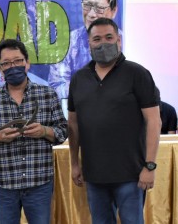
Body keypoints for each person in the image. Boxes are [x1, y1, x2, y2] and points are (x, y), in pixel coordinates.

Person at [68, 18, 161, 224]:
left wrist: (150, 166)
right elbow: (73, 124)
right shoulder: (78, 78)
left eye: (109, 37)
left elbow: (154, 121)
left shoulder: (137, 74)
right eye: (97, 39)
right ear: (89, 43)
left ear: (118, 40)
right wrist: (75, 163)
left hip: (131, 174)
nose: (103, 43)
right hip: (94, 174)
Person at [0, 39, 68, 224]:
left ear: (27, 63)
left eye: (17, 61)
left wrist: (44, 131)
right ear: (0, 69)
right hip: (6, 184)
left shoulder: (47, 94)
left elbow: (63, 131)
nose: (13, 66)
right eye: (6, 63)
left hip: (39, 181)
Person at [48, 0, 119, 99]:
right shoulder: (67, 42)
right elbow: (56, 86)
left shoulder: (124, 42)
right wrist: (90, 90)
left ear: (114, 11)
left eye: (99, 8)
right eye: (87, 5)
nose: (91, 14)